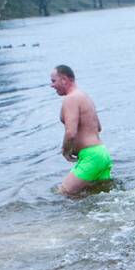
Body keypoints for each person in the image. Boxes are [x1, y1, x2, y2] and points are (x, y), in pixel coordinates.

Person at [50, 65, 112, 197]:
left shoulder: (71, 99)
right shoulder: (84, 96)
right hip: (101, 153)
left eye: (53, 81)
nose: (52, 85)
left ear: (64, 80)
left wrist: (66, 151)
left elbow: (70, 132)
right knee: (96, 197)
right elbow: (98, 127)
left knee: (63, 193)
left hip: (91, 157)